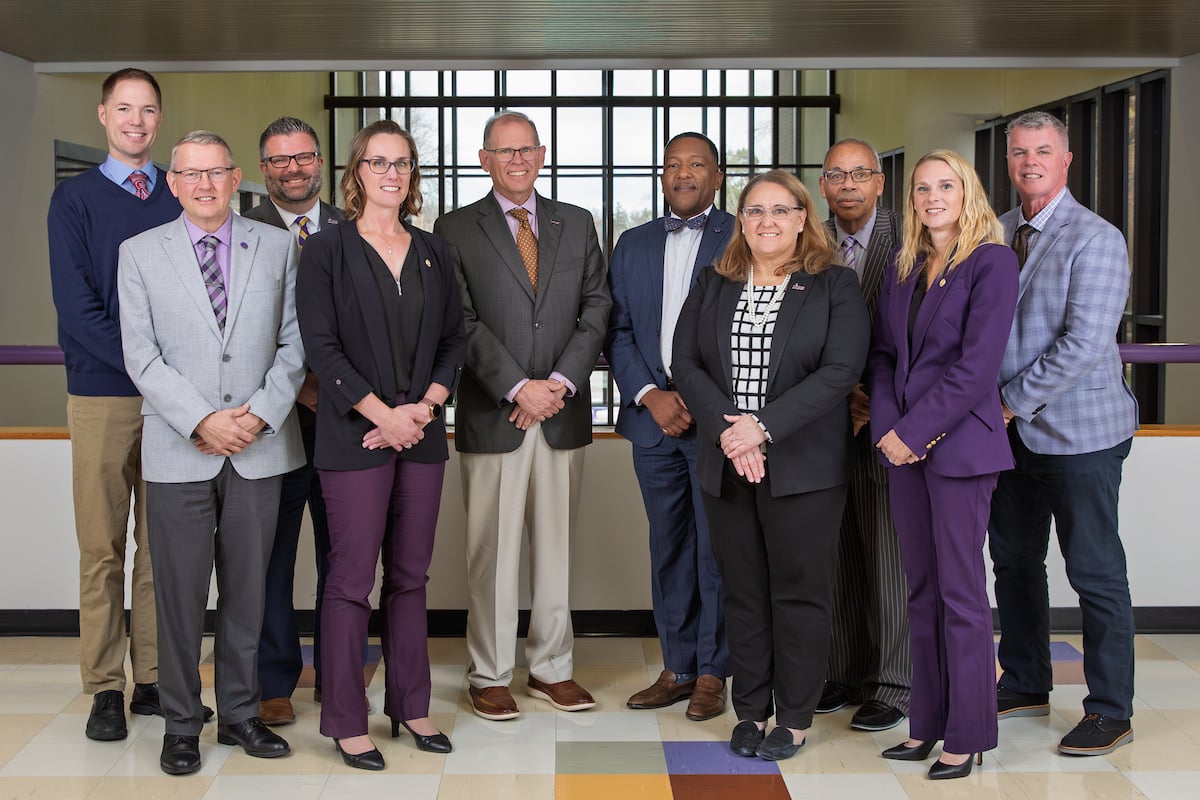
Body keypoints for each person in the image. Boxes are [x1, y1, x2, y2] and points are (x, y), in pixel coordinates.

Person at [118, 130, 304, 775]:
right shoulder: (139, 254)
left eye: (216, 173)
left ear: (235, 179)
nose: (204, 185)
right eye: (190, 174)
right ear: (173, 182)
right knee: (178, 594)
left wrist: (255, 416)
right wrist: (200, 418)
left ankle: (241, 715)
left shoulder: (279, 248)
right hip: (178, 447)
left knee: (249, 591)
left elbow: (295, 343)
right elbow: (140, 354)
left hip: (259, 445)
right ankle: (179, 721)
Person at [672, 169, 869, 761]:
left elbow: (839, 372)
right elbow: (685, 363)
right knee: (744, 593)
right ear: (741, 220)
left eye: (780, 210)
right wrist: (736, 432)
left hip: (804, 467)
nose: (767, 221)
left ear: (803, 218)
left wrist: (762, 426)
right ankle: (752, 710)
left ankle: (796, 716)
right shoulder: (714, 281)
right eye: (755, 210)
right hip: (726, 460)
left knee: (800, 593)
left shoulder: (834, 285)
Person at [295, 119, 466, 770]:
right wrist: (381, 414)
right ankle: (345, 718)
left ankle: (411, 705)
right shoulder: (327, 251)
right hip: (354, 433)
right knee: (349, 580)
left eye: (402, 163)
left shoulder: (434, 251)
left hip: (420, 435)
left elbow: (455, 341)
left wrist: (422, 408)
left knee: (411, 577)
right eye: (378, 162)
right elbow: (321, 347)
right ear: (356, 172)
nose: (391, 173)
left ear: (412, 174)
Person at [433, 110, 611, 721]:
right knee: (492, 552)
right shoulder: (455, 228)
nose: (517, 160)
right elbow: (459, 319)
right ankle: (488, 673)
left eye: (526, 150)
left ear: (541, 155)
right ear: (485, 159)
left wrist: (557, 384)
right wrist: (516, 387)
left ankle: (552, 669)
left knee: (557, 549)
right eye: (503, 151)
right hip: (495, 415)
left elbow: (597, 307)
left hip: (561, 412)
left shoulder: (577, 222)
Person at [47, 67, 192, 742]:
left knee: (162, 549)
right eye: (124, 109)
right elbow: (77, 311)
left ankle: (155, 680)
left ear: (159, 120)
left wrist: (171, 384)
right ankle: (105, 687)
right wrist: (148, 369)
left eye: (149, 110)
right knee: (101, 547)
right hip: (102, 396)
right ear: (104, 115)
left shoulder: (183, 197)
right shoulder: (73, 202)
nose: (137, 121)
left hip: (172, 406)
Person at [989, 111, 1139, 756]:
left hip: (1079, 433)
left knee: (1094, 570)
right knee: (1015, 563)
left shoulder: (1096, 237)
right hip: (1007, 436)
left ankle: (1110, 709)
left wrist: (1004, 404)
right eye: (1020, 152)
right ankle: (1024, 681)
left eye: (1043, 151)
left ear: (1066, 158)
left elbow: (1082, 344)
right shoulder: (991, 233)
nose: (1030, 162)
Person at [865, 149, 1018, 780]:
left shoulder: (992, 262)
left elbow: (977, 368)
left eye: (945, 186)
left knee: (962, 594)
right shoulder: (904, 267)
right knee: (920, 592)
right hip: (902, 448)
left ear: (968, 192)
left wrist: (917, 432)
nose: (932, 197)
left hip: (958, 449)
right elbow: (879, 358)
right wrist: (888, 431)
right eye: (922, 188)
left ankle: (969, 732)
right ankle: (925, 725)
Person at [605, 131, 732, 721]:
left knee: (718, 550)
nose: (683, 174)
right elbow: (619, 331)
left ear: (718, 174)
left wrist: (699, 401)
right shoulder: (632, 244)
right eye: (673, 165)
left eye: (696, 164)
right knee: (669, 547)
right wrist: (652, 395)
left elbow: (756, 333)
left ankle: (714, 670)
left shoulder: (744, 235)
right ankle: (677, 667)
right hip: (653, 425)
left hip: (718, 424)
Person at [243, 116, 344, 726]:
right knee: (272, 558)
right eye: (280, 160)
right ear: (263, 170)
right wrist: (294, 390)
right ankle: (274, 680)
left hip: (341, 422)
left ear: (320, 162)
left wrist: (329, 391)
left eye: (303, 157)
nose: (294, 168)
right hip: (272, 424)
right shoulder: (240, 231)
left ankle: (337, 677)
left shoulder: (353, 228)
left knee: (344, 556)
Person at [816, 138, 911, 732]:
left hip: (891, 418)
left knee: (888, 551)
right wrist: (834, 394)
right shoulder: (809, 240)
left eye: (860, 174)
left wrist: (874, 399)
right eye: (836, 175)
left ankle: (895, 682)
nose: (848, 184)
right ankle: (842, 670)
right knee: (836, 547)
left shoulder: (910, 237)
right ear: (822, 186)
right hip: (823, 419)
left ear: (880, 182)